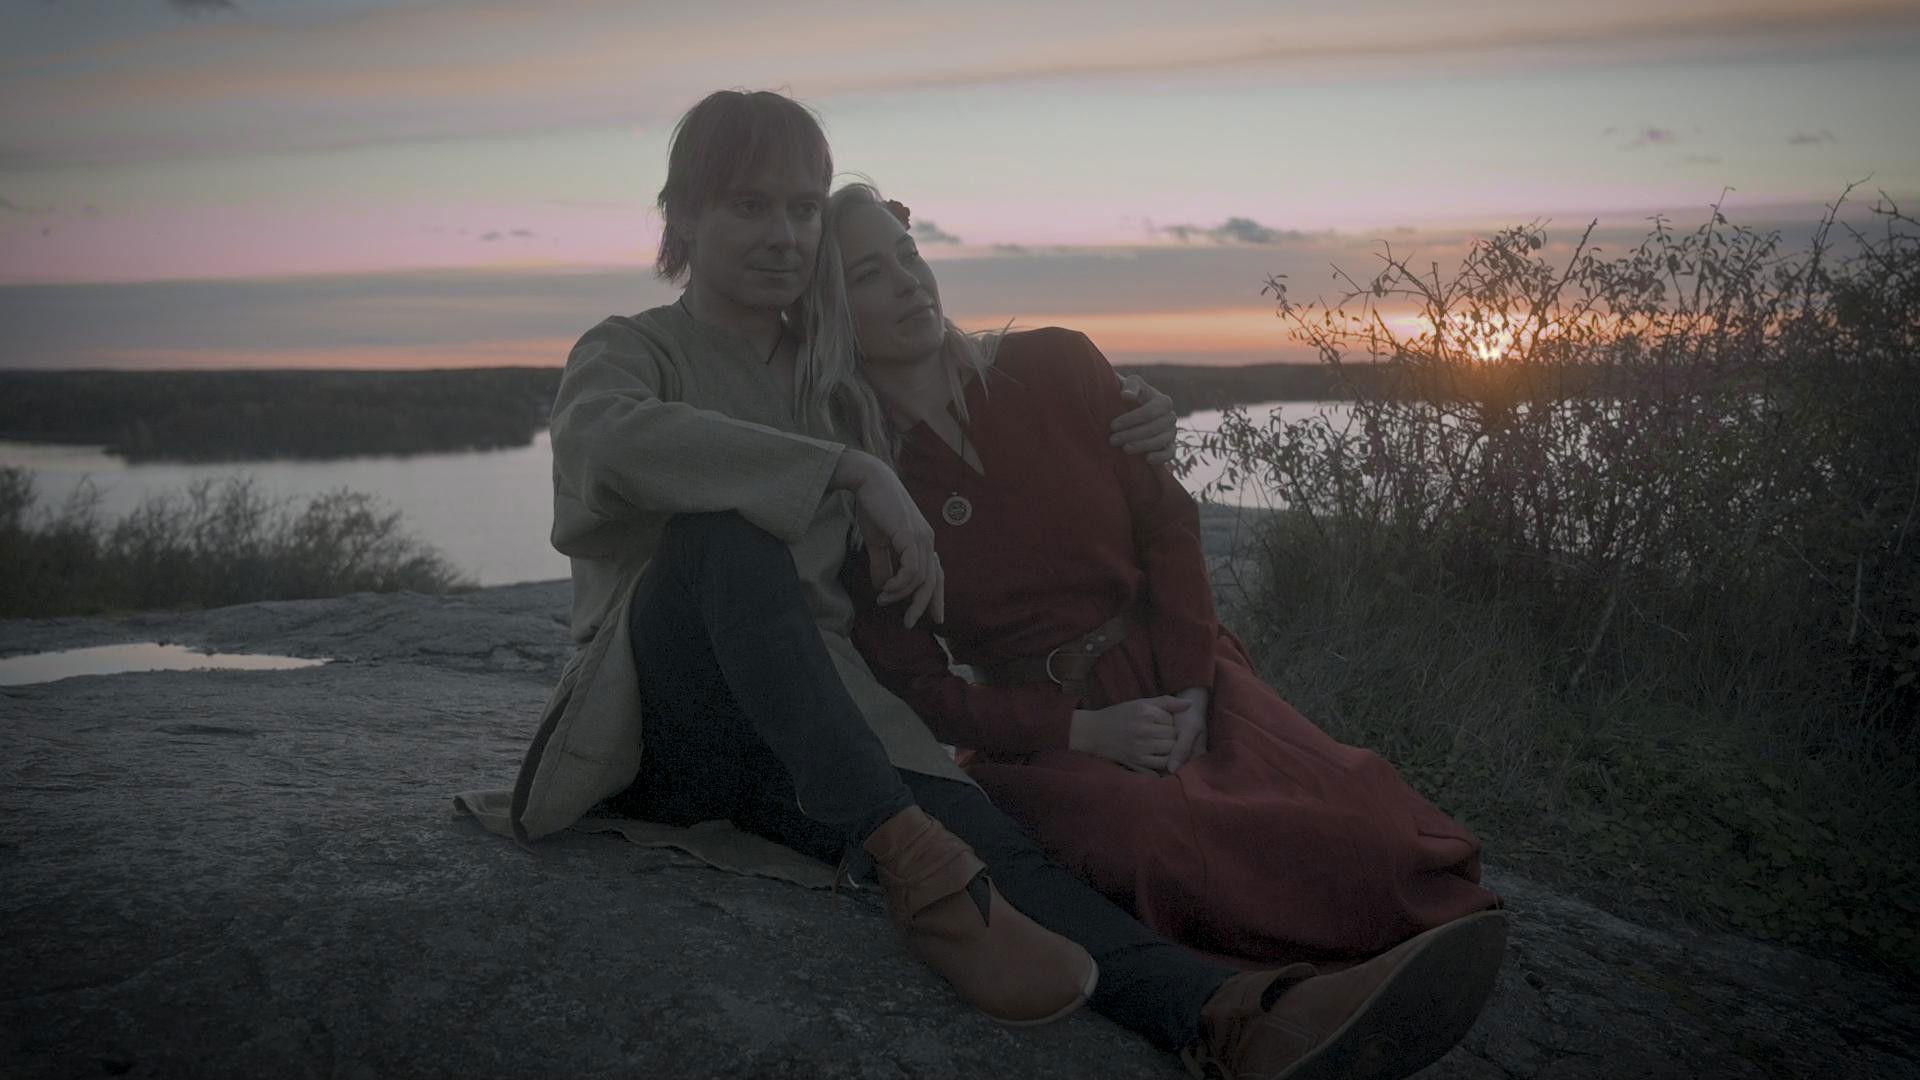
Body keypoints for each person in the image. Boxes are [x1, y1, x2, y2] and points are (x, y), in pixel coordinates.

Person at [454, 90, 1507, 1080]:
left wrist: (1131, 413)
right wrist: (847, 473)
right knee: (725, 542)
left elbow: (969, 418)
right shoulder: (632, 352)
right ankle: (913, 853)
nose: (783, 233)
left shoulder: (832, 383)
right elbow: (602, 444)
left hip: (817, 734)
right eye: (749, 206)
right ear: (684, 215)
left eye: (802, 209)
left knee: (999, 854)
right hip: (675, 718)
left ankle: (1233, 1020)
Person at [830, 183, 1504, 971]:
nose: (907, 282)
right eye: (869, 274)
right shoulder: (866, 484)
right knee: (1156, 842)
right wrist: (1080, 732)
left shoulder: (1054, 365)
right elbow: (917, 687)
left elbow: (1169, 523)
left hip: (1176, 667)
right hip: (1046, 739)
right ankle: (1299, 989)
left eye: (908, 255)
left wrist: (1192, 689)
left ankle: (1423, 949)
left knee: (1356, 824)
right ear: (829, 313)